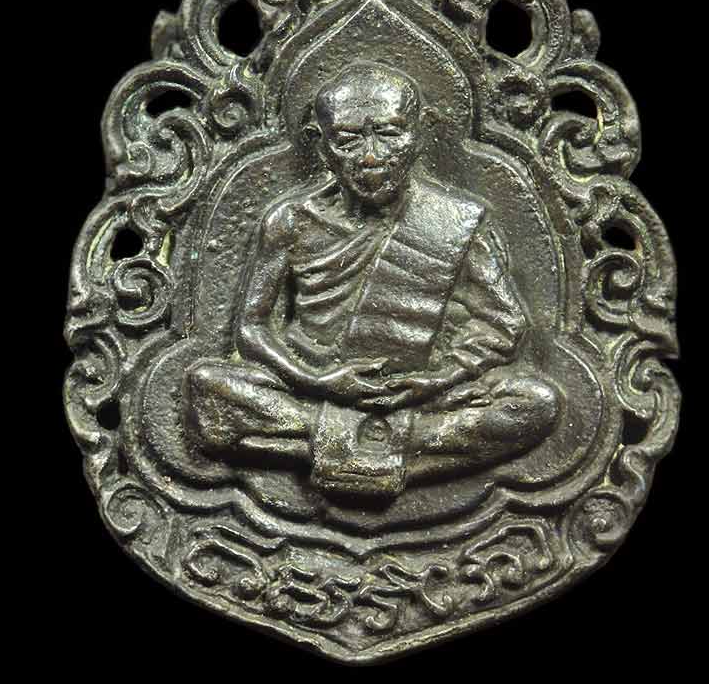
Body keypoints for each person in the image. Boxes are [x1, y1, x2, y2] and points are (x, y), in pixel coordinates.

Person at [184, 61, 559, 500]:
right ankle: (392, 449)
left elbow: (506, 324)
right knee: (208, 386)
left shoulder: (454, 220)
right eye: (347, 140)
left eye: (389, 134)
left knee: (535, 403)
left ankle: (330, 447)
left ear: (420, 133)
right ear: (321, 145)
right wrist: (319, 380)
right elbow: (251, 328)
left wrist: (436, 379)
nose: (370, 156)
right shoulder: (291, 220)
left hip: (419, 395)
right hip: (312, 388)